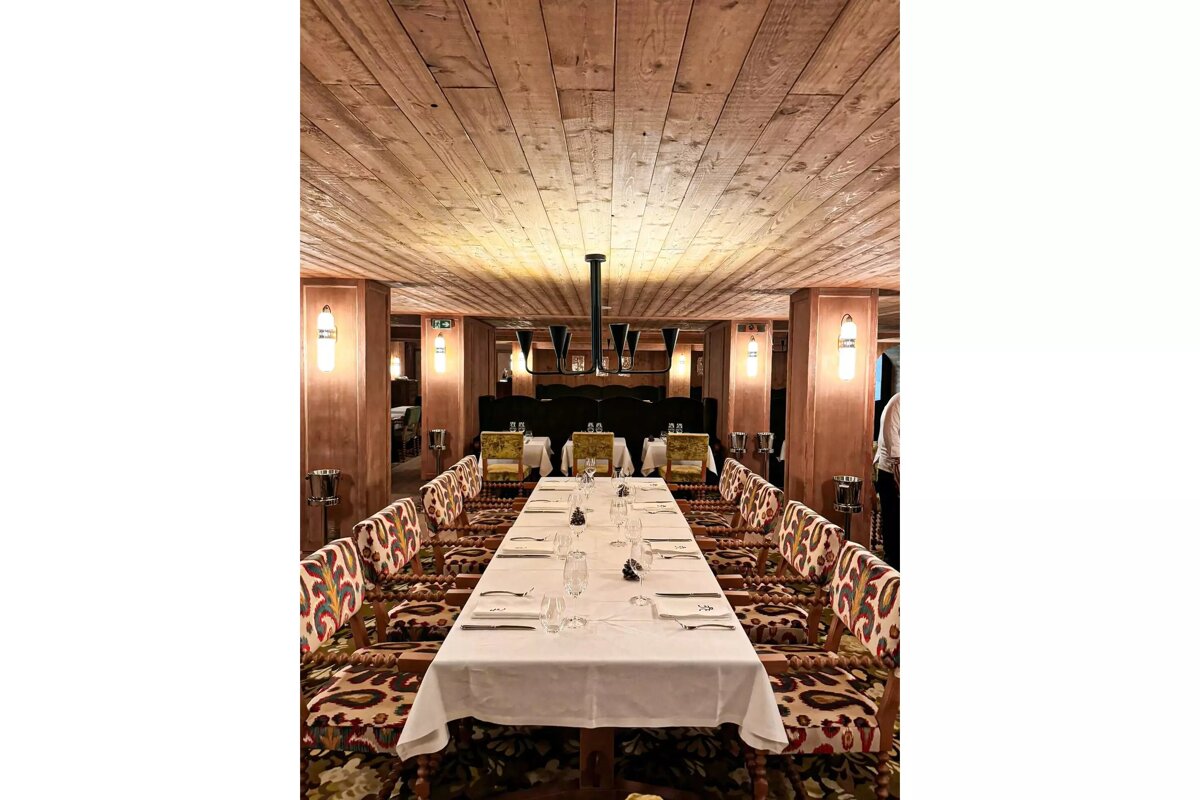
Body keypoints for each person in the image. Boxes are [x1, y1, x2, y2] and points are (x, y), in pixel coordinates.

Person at [873, 392, 900, 570]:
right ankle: (892, 568)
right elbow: (893, 444)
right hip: (891, 473)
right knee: (894, 522)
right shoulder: (898, 403)